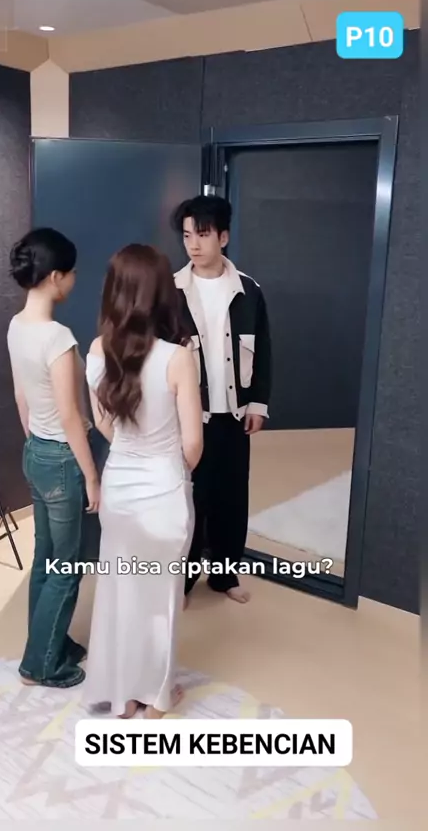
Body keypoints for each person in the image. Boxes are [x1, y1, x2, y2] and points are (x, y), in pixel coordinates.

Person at [83, 244, 203, 719]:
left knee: (122, 592)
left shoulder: (97, 350)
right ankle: (155, 697)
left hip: (120, 488)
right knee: (161, 599)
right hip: (164, 490)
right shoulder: (178, 357)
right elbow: (193, 444)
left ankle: (123, 694)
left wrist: (133, 454)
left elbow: (103, 425)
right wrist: (170, 471)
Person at [7, 227, 100, 688]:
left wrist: (35, 442)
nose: (75, 279)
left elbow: (21, 397)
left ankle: (48, 643)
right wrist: (91, 476)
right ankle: (42, 664)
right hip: (63, 458)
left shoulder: (16, 326)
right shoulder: (58, 338)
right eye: (72, 272)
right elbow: (69, 415)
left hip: (37, 454)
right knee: (66, 567)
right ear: (56, 276)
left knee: (46, 559)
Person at [171, 194, 272, 606]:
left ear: (223, 237)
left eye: (203, 234)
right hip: (190, 417)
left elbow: (263, 351)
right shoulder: (172, 290)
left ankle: (225, 575)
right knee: (191, 500)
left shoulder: (248, 290)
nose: (193, 244)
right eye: (187, 235)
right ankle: (182, 581)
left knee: (231, 498)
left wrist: (258, 404)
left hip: (233, 415)